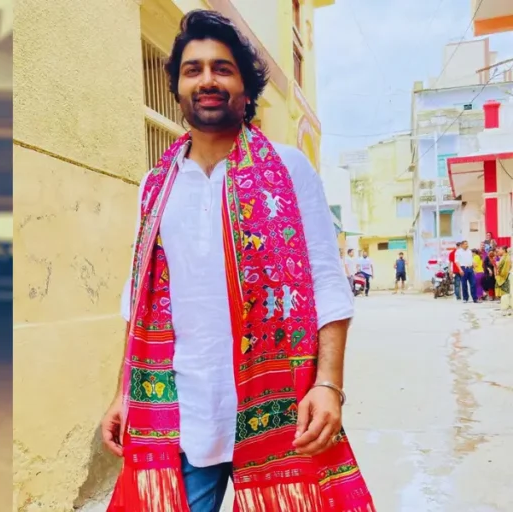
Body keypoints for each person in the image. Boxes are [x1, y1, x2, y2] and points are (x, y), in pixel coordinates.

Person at [99, 10, 374, 512]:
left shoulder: (290, 168)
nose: (207, 79)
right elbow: (136, 300)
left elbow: (326, 282)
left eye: (222, 68)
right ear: (178, 89)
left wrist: (329, 384)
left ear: (245, 89)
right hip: (184, 413)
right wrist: (124, 393)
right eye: (193, 70)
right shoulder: (155, 186)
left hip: (282, 408)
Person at [496, 246, 511, 316]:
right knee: (504, 294)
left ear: (504, 250)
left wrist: (500, 273)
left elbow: (505, 269)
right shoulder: (503, 257)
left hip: (505, 277)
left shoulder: (507, 258)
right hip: (502, 276)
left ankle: (506, 308)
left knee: (505, 293)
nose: (499, 251)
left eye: (500, 249)